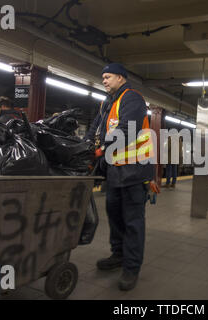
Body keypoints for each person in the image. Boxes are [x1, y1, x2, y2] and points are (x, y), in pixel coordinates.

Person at [84, 63, 155, 291]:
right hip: (115, 171)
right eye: (102, 77)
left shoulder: (132, 98)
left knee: (133, 222)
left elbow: (128, 129)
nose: (104, 80)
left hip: (134, 171)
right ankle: (118, 255)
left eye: (108, 76)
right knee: (114, 216)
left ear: (121, 78)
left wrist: (102, 149)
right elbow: (96, 127)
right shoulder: (107, 103)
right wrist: (85, 146)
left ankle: (131, 268)